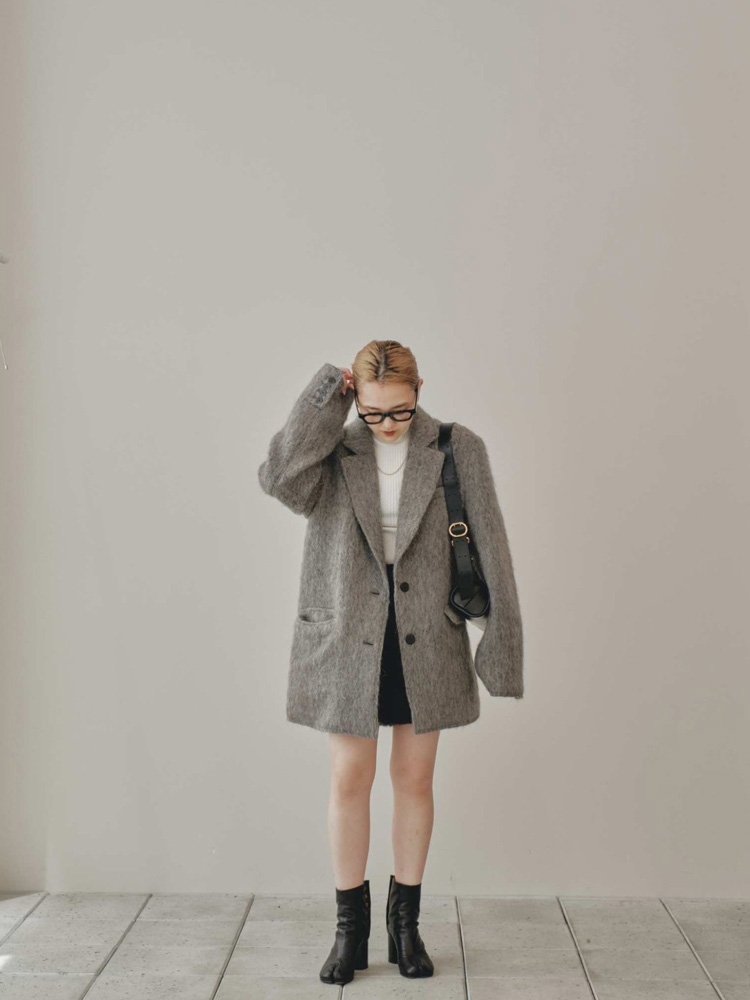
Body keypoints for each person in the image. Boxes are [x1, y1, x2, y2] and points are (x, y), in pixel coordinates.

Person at [257, 340, 523, 985]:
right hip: (349, 635)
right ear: (358, 402)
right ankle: (349, 932)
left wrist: (503, 643)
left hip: (425, 636)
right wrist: (326, 395)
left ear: (419, 391)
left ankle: (407, 927)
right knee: (350, 778)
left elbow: (492, 543)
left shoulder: (458, 448)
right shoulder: (333, 450)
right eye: (373, 412)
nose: (387, 424)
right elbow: (279, 477)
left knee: (415, 780)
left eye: (399, 410)